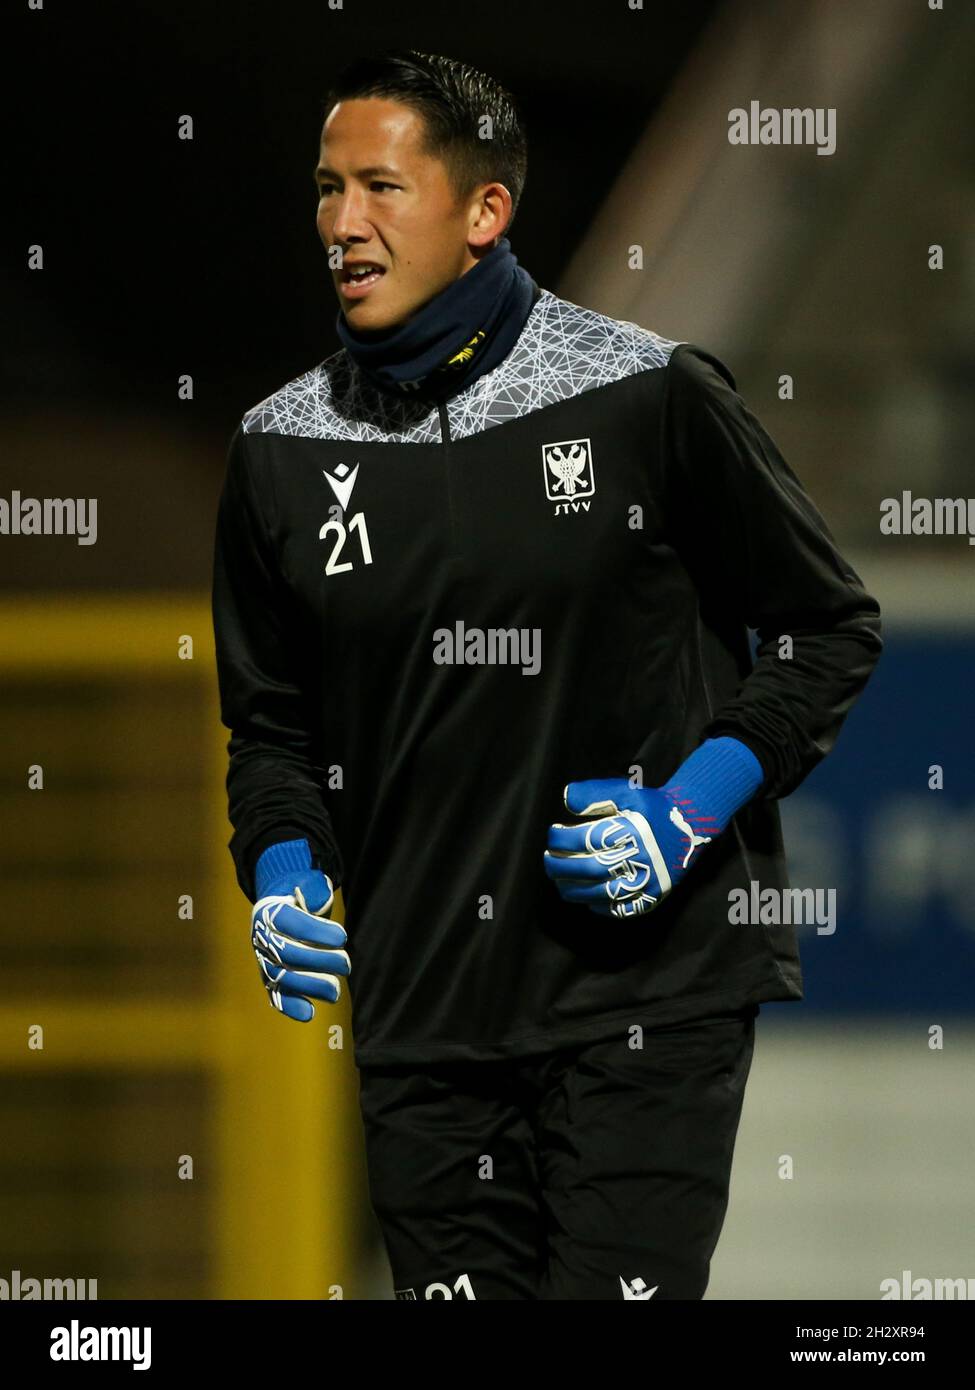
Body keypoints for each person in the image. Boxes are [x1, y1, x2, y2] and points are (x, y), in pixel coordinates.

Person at [211, 48, 883, 1300]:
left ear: (485, 213)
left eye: (379, 187)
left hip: (645, 1007)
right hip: (423, 1025)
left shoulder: (648, 396)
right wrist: (286, 874)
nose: (341, 223)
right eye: (324, 189)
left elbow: (824, 629)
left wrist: (683, 818)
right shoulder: (275, 454)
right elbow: (273, 732)